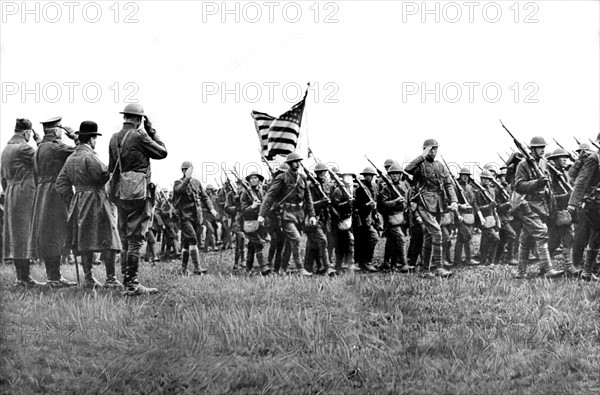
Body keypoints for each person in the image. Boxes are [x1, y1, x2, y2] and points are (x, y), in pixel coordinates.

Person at [108, 103, 167, 295]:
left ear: (125, 117)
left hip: (120, 192)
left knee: (125, 238)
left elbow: (111, 168)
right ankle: (132, 284)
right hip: (138, 192)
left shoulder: (113, 138)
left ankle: (127, 283)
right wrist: (151, 130)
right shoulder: (139, 135)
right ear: (139, 119)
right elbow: (162, 152)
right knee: (135, 239)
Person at [55, 121, 122, 289]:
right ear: (92, 139)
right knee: (109, 237)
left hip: (80, 202)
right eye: (95, 138)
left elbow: (60, 183)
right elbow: (102, 175)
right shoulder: (90, 156)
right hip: (97, 200)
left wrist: (74, 199)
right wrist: (112, 168)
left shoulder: (71, 158)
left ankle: (89, 278)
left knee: (85, 241)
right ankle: (111, 278)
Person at [30, 116, 78, 288]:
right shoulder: (56, 147)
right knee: (57, 233)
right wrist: (76, 137)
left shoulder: (40, 148)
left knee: (48, 234)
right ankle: (54, 278)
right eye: (60, 129)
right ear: (57, 130)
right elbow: (81, 151)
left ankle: (53, 276)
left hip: (42, 193)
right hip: (56, 193)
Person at [405, 139, 457, 278]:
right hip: (424, 202)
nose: (434, 152)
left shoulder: (439, 166)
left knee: (429, 236)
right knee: (437, 234)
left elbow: (448, 184)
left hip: (438, 203)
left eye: (435, 149)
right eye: (431, 149)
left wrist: (454, 200)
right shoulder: (419, 165)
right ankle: (439, 267)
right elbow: (408, 169)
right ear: (425, 150)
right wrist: (422, 155)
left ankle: (425, 270)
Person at [258, 152, 316, 276]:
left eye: (299, 161)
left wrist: (312, 215)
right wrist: (262, 214)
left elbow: (308, 198)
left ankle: (282, 270)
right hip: (286, 215)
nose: (297, 164)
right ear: (289, 164)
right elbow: (270, 196)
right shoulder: (282, 178)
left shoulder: (302, 178)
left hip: (299, 215)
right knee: (296, 238)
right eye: (295, 161)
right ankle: (300, 269)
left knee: (290, 244)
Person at [1, 118, 44, 286]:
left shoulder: (6, 149)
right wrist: (39, 143)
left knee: (16, 237)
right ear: (27, 133)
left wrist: (9, 190)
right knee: (25, 235)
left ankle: (21, 277)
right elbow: (42, 158)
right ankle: (24, 278)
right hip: (25, 195)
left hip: (11, 193)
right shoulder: (25, 148)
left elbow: (2, 178)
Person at [514, 136, 563, 279]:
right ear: (532, 149)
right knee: (542, 234)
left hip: (542, 206)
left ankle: (520, 272)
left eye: (543, 147)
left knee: (525, 240)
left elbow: (548, 187)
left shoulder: (543, 164)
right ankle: (548, 269)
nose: (543, 150)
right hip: (528, 205)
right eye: (540, 147)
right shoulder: (523, 165)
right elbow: (518, 186)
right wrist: (537, 183)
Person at [173, 161, 217, 275]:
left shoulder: (197, 182)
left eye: (189, 169)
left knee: (187, 242)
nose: (187, 171)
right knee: (193, 239)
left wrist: (211, 208)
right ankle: (197, 268)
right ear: (182, 171)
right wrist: (186, 178)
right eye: (185, 169)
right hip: (184, 216)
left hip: (196, 216)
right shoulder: (178, 182)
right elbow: (181, 190)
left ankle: (183, 270)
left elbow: (205, 197)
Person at [567, 134, 600, 281]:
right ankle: (586, 271)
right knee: (596, 234)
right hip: (594, 203)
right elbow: (581, 181)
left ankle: (587, 271)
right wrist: (573, 203)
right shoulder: (594, 158)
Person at [378, 163, 412, 272]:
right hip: (391, 219)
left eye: (397, 174)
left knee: (392, 242)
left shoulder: (404, 186)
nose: (395, 176)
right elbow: (383, 204)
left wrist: (403, 204)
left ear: (401, 175)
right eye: (392, 174)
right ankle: (404, 264)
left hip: (401, 217)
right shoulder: (385, 188)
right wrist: (395, 202)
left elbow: (407, 202)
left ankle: (391, 264)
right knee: (401, 240)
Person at [241, 172, 270, 275]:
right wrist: (252, 206)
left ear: (259, 180)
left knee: (251, 247)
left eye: (255, 178)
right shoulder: (245, 193)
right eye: (251, 178)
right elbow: (243, 210)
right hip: (250, 222)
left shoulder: (261, 191)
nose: (253, 180)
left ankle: (248, 269)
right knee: (258, 244)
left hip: (259, 222)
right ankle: (264, 268)